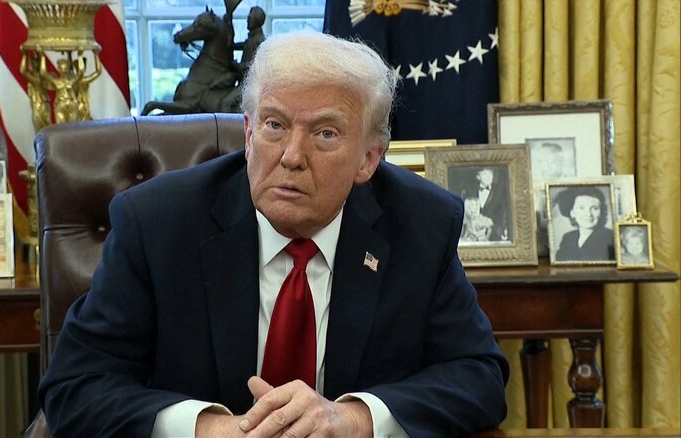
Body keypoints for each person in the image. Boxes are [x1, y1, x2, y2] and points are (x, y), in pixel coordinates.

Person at [39, 31, 508, 437]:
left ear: (369, 158)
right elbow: (74, 386)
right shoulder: (156, 224)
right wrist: (212, 429)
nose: (291, 156)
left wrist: (352, 418)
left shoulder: (422, 225)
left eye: (325, 133)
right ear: (248, 135)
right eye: (274, 125)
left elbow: (478, 377)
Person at [555, 186, 615, 262]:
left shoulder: (610, 237)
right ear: (572, 212)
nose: (588, 214)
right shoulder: (568, 238)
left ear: (601, 212)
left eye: (594, 208)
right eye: (581, 208)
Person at [475, 167, 510, 241]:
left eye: (490, 174)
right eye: (485, 174)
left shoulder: (500, 190)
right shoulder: (470, 190)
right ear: (478, 177)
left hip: (495, 233)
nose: (489, 176)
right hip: (476, 233)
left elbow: (504, 211)